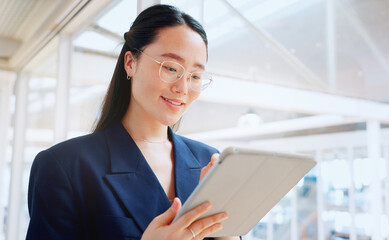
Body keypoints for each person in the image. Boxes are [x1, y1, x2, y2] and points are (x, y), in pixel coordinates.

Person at [26, 4, 241, 240]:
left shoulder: (208, 163)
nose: (183, 88)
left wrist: (227, 234)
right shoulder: (64, 166)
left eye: (196, 76)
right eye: (171, 68)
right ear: (130, 62)